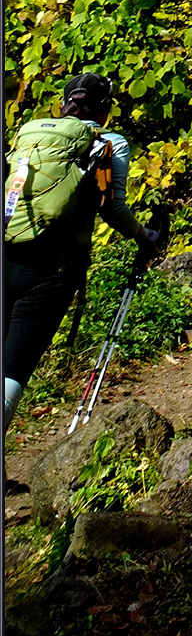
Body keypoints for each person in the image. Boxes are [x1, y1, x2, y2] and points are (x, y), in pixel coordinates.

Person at [4, 71, 162, 433]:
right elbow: (113, 209)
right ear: (105, 108)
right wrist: (144, 236)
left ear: (63, 103)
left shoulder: (31, 132)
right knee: (13, 369)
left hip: (7, 251)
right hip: (52, 268)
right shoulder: (109, 142)